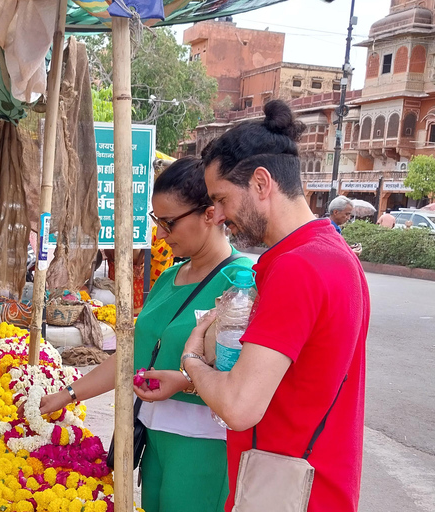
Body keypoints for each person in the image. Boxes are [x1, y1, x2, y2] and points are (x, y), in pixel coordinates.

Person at [135, 100, 369, 512]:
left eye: (222, 199)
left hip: (286, 486)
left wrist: (191, 359)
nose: (220, 216)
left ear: (261, 183)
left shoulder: (298, 268)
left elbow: (239, 407)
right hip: (305, 481)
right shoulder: (329, 254)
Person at [33, 157, 254, 512]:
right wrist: (69, 394)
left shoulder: (243, 284)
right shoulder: (169, 278)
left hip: (204, 444)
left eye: (169, 223)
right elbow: (132, 355)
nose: (161, 235)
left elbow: (247, 380)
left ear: (211, 214)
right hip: (151, 436)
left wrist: (185, 381)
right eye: (157, 222)